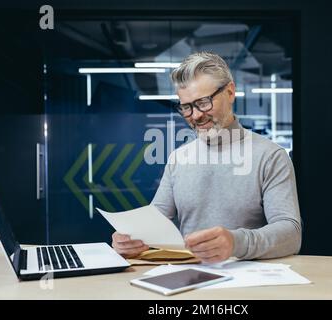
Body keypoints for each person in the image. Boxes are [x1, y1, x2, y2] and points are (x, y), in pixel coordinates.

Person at [112, 52, 302, 263]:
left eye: (203, 102)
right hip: (188, 280)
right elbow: (154, 224)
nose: (195, 116)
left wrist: (235, 243)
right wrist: (131, 240)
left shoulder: (270, 156)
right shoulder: (178, 158)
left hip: (247, 282)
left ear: (230, 92)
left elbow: (291, 234)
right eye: (186, 107)